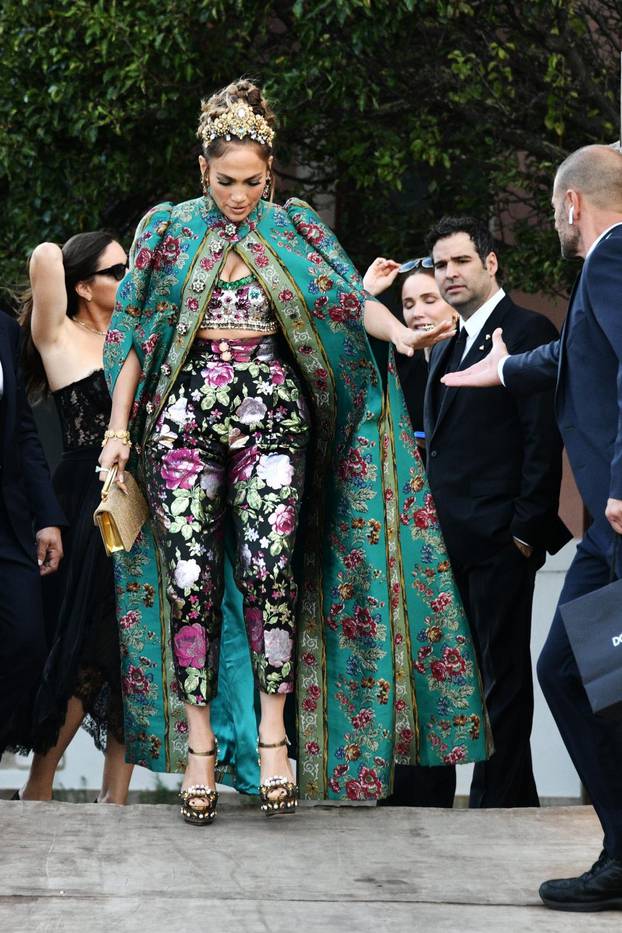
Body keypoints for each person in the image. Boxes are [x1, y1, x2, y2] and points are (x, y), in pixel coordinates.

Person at [98, 78, 490, 825]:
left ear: (269, 171)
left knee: (272, 566)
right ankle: (201, 747)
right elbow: (132, 338)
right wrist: (119, 429)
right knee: (189, 578)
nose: (239, 195)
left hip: (274, 415)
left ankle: (275, 735)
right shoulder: (167, 231)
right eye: (225, 181)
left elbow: (350, 301)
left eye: (252, 181)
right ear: (201, 169)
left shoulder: (296, 228)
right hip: (182, 421)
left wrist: (403, 334)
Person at [441, 145, 622, 911]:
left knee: (570, 673)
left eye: (554, 209)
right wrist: (505, 370)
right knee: (573, 673)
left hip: (617, 515)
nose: (554, 221)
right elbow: (578, 360)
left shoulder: (614, 258)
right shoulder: (606, 267)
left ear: (573, 205)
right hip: (608, 533)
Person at [423, 216, 570, 809]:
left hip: (500, 542)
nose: (450, 274)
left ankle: (500, 802)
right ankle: (497, 794)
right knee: (454, 678)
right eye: (440, 265)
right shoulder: (448, 339)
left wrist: (524, 536)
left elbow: (543, 440)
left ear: (490, 263)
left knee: (502, 678)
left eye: (461, 261)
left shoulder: (527, 328)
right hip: (446, 542)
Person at [14, 232, 134, 804]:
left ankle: (117, 798)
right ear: (83, 285)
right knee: (84, 644)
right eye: (117, 270)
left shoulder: (136, 340)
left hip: (146, 500)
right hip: (87, 502)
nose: (130, 276)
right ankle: (39, 785)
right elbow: (41, 257)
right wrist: (66, 257)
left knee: (136, 648)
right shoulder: (58, 336)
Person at [0, 310, 65, 758]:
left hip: (8, 520)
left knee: (27, 642)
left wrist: (47, 516)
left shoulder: (4, 328)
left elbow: (23, 430)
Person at [363, 256, 456, 447]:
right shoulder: (398, 365)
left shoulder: (477, 360)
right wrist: (366, 291)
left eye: (430, 301)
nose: (417, 313)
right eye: (409, 305)